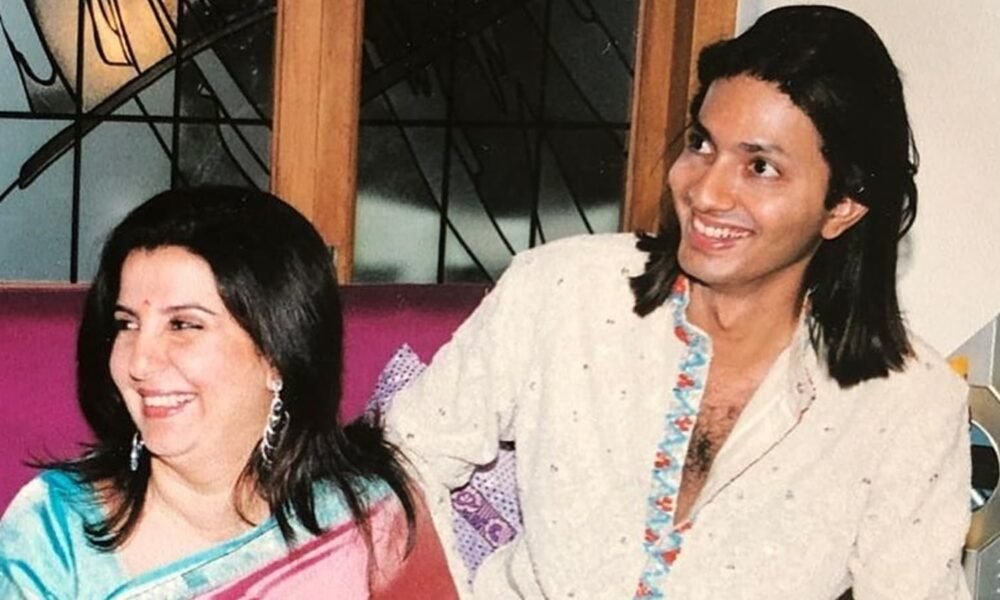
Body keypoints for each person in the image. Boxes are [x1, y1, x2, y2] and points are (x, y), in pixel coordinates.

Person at [385, 5, 971, 599]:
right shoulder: (563, 290)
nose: (705, 191)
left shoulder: (909, 405)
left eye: (760, 167)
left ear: (843, 205)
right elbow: (403, 460)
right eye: (701, 144)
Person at [0, 187, 458, 599]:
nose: (139, 363)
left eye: (183, 325)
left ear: (276, 354)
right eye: (127, 324)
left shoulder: (368, 517)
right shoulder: (55, 530)